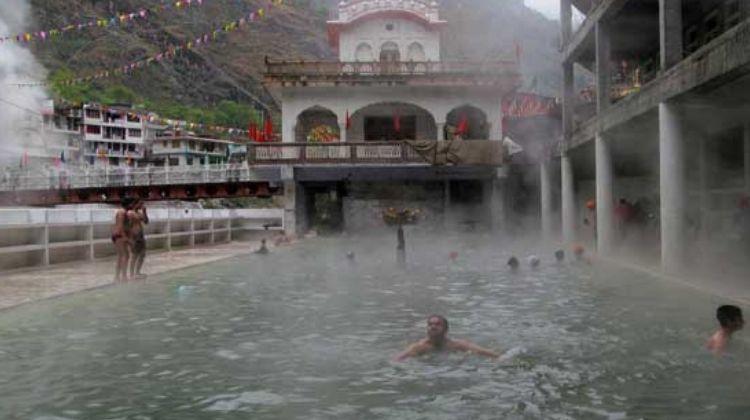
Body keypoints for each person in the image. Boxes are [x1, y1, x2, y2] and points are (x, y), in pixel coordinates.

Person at [394, 315, 500, 361]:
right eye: (430, 324)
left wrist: (499, 358)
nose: (433, 327)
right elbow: (397, 359)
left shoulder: (457, 344)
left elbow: (485, 353)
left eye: (437, 324)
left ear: (446, 329)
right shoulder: (419, 347)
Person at [112, 197, 134, 282]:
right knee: (124, 255)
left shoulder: (123, 212)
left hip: (119, 235)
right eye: (132, 203)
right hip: (119, 235)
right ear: (128, 204)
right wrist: (126, 238)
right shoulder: (122, 212)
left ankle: (118, 276)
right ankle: (122, 276)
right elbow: (120, 226)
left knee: (122, 256)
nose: (132, 205)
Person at [128, 199, 149, 280]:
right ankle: (131, 273)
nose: (141, 206)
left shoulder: (139, 213)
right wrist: (130, 238)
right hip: (134, 236)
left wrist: (144, 212)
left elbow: (146, 222)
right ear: (135, 204)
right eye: (140, 204)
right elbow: (128, 226)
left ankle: (137, 272)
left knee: (142, 254)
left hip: (141, 236)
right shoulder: (130, 213)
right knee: (134, 255)